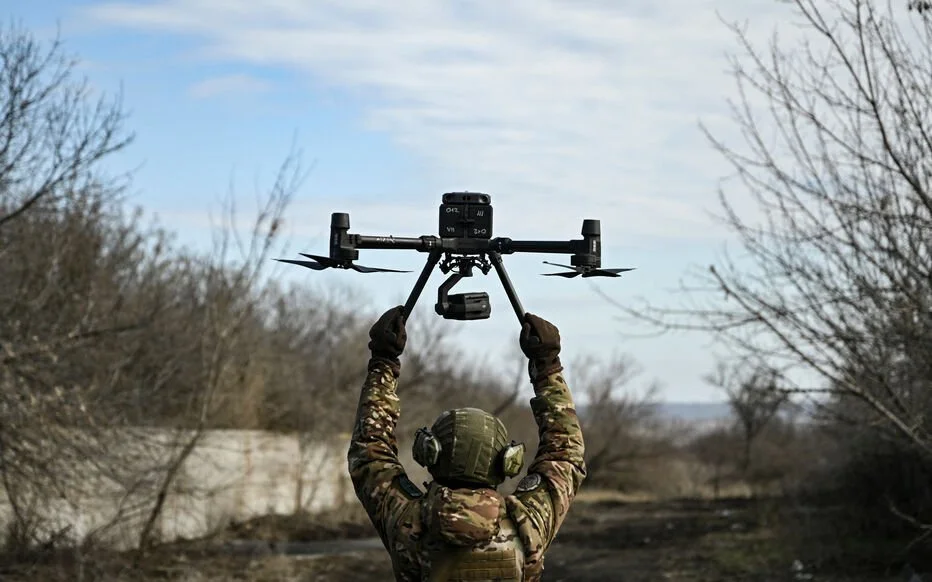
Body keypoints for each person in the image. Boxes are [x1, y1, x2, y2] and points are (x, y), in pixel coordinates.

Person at [347, 305, 587, 582]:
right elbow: (566, 453)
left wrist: (383, 361)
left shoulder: (406, 520)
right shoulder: (527, 525)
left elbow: (369, 450)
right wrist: (547, 365)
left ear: (430, 453)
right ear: (507, 462)